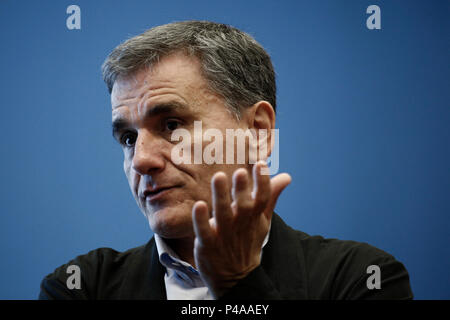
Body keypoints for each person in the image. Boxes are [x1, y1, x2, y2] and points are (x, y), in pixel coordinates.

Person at [39, 21, 413, 300]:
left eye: (172, 124)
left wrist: (239, 283)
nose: (141, 160)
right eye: (128, 138)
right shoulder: (80, 286)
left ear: (257, 131)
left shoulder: (361, 277)